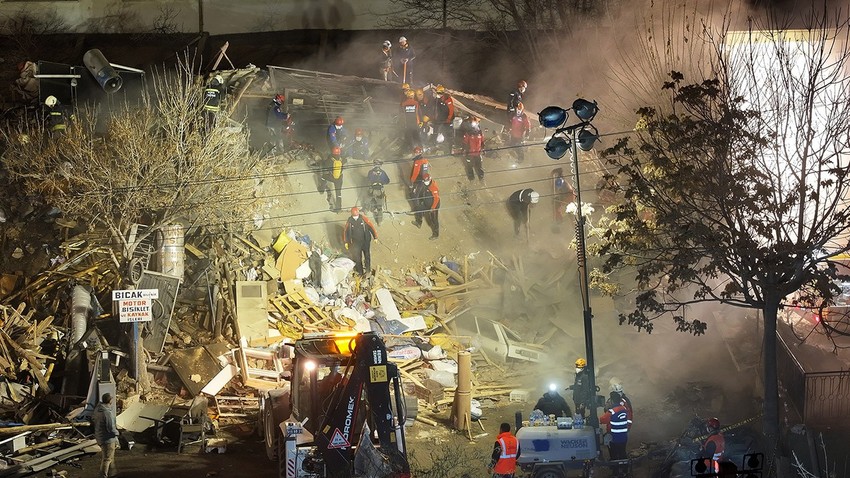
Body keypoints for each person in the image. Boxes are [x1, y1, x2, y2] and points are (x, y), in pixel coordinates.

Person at [599, 392, 632, 476]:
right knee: (622, 453)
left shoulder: (612, 411)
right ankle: (625, 470)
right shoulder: (624, 409)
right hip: (624, 436)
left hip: (614, 437)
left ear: (612, 401)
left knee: (614, 455)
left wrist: (607, 409)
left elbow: (602, 420)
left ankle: (616, 472)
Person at [343, 207, 378, 276]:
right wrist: (346, 242)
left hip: (365, 241)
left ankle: (368, 270)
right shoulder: (349, 222)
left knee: (367, 255)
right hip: (356, 243)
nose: (355, 217)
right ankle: (360, 272)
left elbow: (371, 227)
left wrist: (375, 237)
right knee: (358, 257)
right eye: (354, 216)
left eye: (356, 216)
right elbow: (345, 232)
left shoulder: (363, 219)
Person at [92, 392, 119, 478]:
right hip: (108, 438)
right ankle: (103, 475)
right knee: (107, 459)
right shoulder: (107, 413)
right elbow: (110, 428)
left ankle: (112, 473)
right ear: (110, 400)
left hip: (100, 436)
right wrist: (117, 433)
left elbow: (93, 419)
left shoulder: (98, 409)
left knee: (110, 457)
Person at [412, 173, 440, 240]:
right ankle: (419, 222)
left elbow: (436, 199)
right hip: (426, 203)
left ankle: (436, 234)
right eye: (424, 181)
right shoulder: (424, 184)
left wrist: (433, 208)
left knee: (434, 220)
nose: (425, 182)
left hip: (433, 205)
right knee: (418, 209)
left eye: (426, 181)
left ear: (430, 179)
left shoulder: (434, 187)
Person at [319, 146, 345, 211]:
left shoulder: (331, 159)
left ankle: (321, 190)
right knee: (338, 192)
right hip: (339, 178)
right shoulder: (342, 159)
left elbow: (325, 165)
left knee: (323, 177)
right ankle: (339, 208)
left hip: (332, 177)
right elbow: (344, 165)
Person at [432, 85, 455, 153]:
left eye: (440, 93)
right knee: (436, 132)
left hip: (447, 121)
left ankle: (448, 150)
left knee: (447, 135)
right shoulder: (437, 99)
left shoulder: (448, 99)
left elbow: (451, 110)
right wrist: (435, 117)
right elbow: (436, 109)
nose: (438, 94)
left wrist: (448, 119)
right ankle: (436, 146)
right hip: (440, 119)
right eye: (438, 93)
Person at [462, 117, 485, 181]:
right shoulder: (468, 134)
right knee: (469, 167)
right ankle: (471, 179)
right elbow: (465, 143)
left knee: (479, 167)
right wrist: (465, 152)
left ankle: (481, 178)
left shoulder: (480, 133)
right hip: (470, 154)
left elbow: (482, 142)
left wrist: (483, 149)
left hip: (478, 153)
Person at [509, 102, 531, 166]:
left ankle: (521, 158)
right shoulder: (513, 115)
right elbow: (510, 122)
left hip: (520, 135)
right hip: (513, 133)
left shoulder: (524, 116)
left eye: (520, 110)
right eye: (518, 109)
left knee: (519, 147)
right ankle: (514, 156)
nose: (518, 111)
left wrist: (527, 132)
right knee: (512, 145)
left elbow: (527, 124)